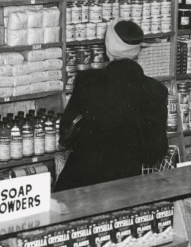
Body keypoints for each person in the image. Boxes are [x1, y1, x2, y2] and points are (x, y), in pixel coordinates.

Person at [53, 20, 169, 192]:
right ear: (137, 52)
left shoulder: (87, 81)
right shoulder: (156, 91)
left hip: (79, 185)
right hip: (128, 187)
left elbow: (66, 134)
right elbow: (156, 152)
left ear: (107, 49)